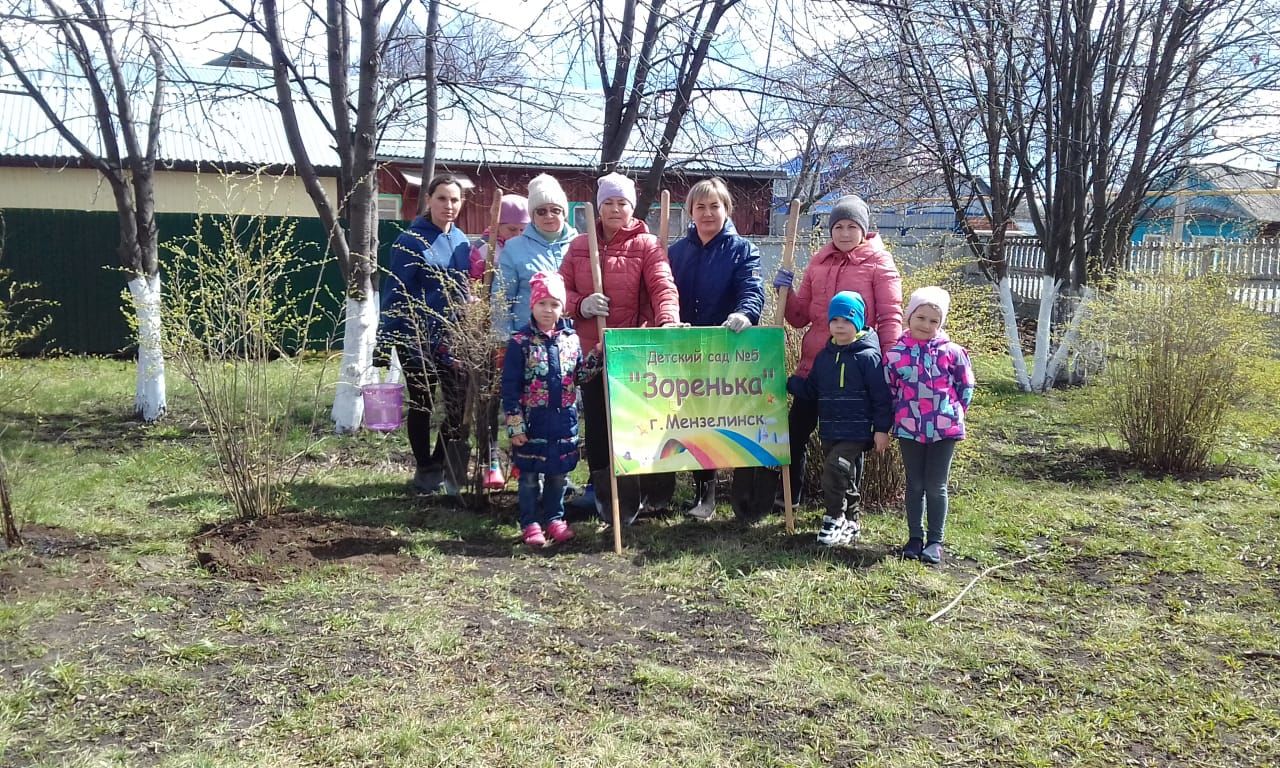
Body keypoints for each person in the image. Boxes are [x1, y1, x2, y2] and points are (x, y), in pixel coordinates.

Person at [560, 172, 681, 523]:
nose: (615, 209)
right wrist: (581, 304)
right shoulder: (581, 245)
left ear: (632, 207)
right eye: (609, 203)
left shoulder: (646, 245)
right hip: (591, 350)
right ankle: (604, 495)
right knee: (597, 423)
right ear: (599, 208)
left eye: (622, 203)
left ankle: (640, 489)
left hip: (633, 350)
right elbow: (558, 290)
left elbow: (663, 286)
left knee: (636, 421)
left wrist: (668, 320)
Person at [773, 194, 902, 506]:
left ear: (864, 228)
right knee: (794, 433)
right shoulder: (819, 261)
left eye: (852, 226)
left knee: (846, 440)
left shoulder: (879, 263)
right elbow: (800, 316)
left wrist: (892, 362)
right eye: (839, 226)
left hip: (853, 373)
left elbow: (889, 315)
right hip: (815, 366)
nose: (845, 233)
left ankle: (845, 506)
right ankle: (789, 497)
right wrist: (785, 292)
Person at [667, 177, 764, 521]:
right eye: (700, 207)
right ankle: (703, 495)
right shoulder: (676, 252)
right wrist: (669, 319)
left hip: (728, 351)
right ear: (691, 212)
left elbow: (751, 289)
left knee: (733, 420)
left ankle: (741, 495)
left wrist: (745, 313)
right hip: (687, 353)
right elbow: (666, 294)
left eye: (715, 206)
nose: (708, 213)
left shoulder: (743, 250)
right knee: (696, 421)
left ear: (726, 209)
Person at [377, 174, 472, 498]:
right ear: (429, 200)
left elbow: (464, 289)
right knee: (423, 402)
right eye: (442, 198)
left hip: (452, 337)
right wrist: (384, 339)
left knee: (458, 403)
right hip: (415, 335)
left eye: (454, 200)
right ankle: (425, 468)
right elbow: (394, 292)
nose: (449, 205)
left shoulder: (461, 241)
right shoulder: (410, 241)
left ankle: (441, 461)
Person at [786, 291, 892, 547]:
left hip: (856, 433)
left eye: (847, 320)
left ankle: (833, 517)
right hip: (830, 430)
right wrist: (787, 383)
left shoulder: (867, 357)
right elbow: (812, 390)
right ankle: (852, 520)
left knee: (834, 470)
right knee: (846, 475)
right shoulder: (824, 357)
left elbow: (881, 397)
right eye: (835, 321)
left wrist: (881, 429)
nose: (840, 326)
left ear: (858, 323)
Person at [884, 286, 975, 565]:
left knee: (936, 485)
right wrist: (894, 418)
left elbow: (965, 385)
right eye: (920, 318)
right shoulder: (896, 354)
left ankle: (935, 540)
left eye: (933, 321)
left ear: (941, 324)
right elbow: (890, 390)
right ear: (909, 318)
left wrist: (954, 412)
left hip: (944, 429)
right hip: (909, 428)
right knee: (915, 484)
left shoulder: (952, 352)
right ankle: (914, 537)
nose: (926, 325)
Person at [501, 271, 583, 548]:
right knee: (528, 476)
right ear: (532, 306)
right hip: (532, 422)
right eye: (542, 304)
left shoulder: (571, 340)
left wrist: (597, 356)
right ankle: (530, 521)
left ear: (563, 307)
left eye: (554, 304)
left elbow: (581, 376)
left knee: (558, 475)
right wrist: (515, 423)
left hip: (563, 421)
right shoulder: (520, 343)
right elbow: (510, 385)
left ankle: (554, 518)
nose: (548, 310)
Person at [468, 194, 529, 281]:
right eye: (512, 229)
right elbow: (474, 279)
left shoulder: (529, 245)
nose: (518, 234)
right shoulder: (483, 247)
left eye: (522, 229)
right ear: (497, 225)